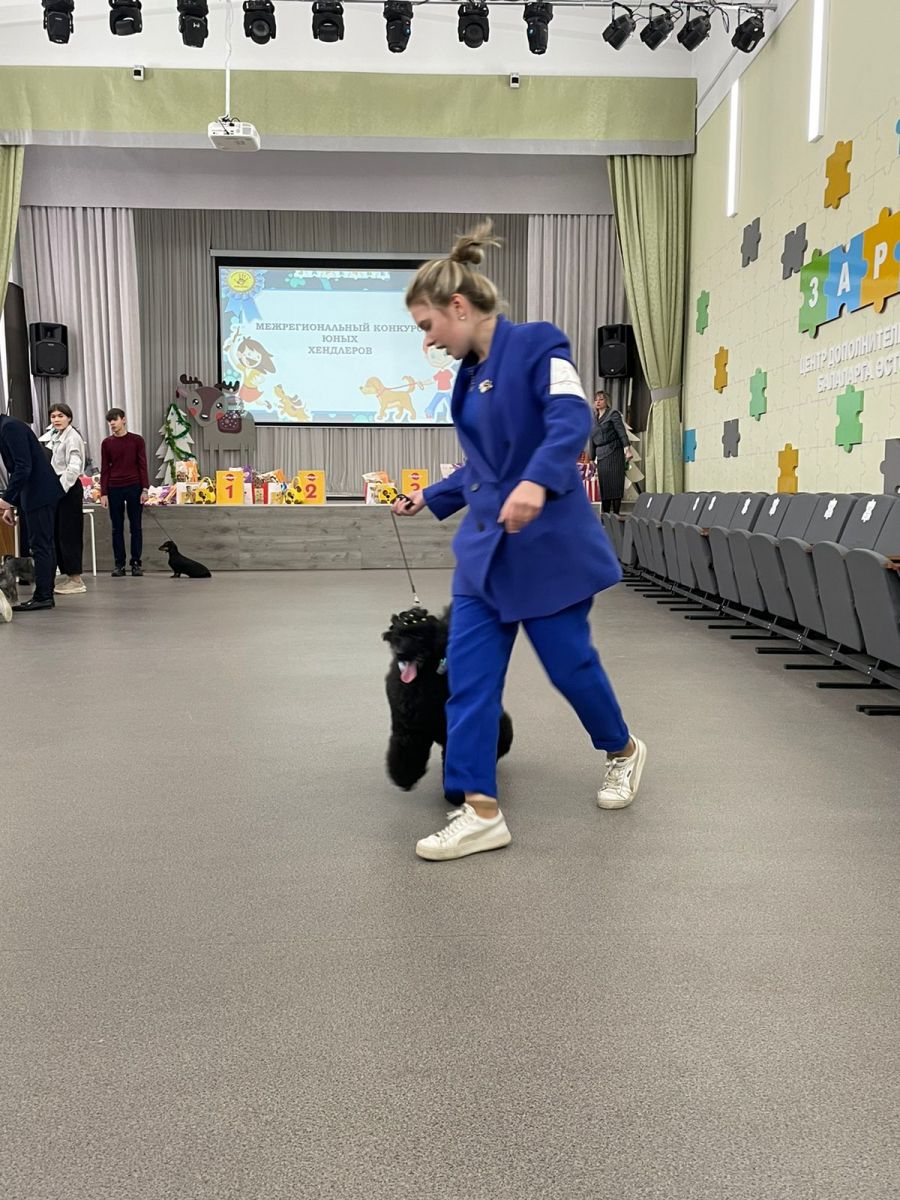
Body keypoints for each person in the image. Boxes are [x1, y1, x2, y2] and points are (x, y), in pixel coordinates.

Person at [392, 221, 647, 862]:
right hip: (484, 555)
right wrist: (431, 495)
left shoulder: (537, 345)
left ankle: (622, 750)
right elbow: (485, 467)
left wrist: (535, 481)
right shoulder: (466, 378)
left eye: (428, 325)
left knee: (570, 667)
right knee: (469, 681)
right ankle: (480, 809)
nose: (428, 341)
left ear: (458, 306)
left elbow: (569, 418)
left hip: (546, 549)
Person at [0, 412, 63, 611]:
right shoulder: (8, 426)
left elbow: (23, 467)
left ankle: (43, 596)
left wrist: (6, 500)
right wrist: (13, 504)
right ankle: (45, 594)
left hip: (39, 493)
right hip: (35, 494)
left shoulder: (9, 427)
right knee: (44, 545)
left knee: (41, 546)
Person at [39, 403, 87, 595]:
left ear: (69, 418)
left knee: (69, 533)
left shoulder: (72, 437)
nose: (56, 419)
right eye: (53, 416)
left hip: (68, 488)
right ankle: (68, 575)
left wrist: (60, 489)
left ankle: (76, 579)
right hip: (56, 488)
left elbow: (74, 467)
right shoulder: (55, 435)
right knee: (58, 532)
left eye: (60, 416)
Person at [100, 408, 149, 577]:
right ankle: (119, 564)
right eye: (110, 421)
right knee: (116, 528)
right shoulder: (107, 443)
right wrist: (103, 493)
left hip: (134, 486)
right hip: (114, 488)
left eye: (115, 419)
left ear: (124, 420)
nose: (112, 423)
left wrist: (145, 489)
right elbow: (105, 468)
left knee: (136, 527)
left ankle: (136, 563)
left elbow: (142, 465)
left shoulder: (137, 440)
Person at [590, 390, 633, 515]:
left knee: (615, 484)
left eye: (601, 399)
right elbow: (592, 439)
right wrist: (592, 458)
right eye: (596, 399)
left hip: (614, 451)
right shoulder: (593, 419)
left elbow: (621, 432)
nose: (598, 402)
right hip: (601, 454)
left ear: (606, 401)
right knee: (605, 486)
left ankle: (616, 515)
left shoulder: (613, 414)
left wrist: (627, 449)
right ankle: (606, 515)